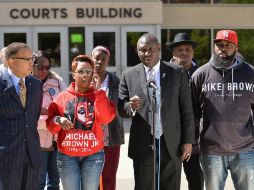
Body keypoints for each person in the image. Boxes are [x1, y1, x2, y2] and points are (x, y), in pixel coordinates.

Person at [118, 33, 195, 190]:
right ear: (137, 51)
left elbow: (186, 109)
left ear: (159, 48)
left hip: (172, 142)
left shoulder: (176, 72)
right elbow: (121, 107)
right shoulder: (128, 75)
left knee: (171, 186)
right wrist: (131, 106)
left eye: (151, 49)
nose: (147, 53)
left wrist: (188, 141)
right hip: (143, 143)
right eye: (143, 50)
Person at [191, 29, 254, 190]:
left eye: (228, 45)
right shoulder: (201, 74)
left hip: (245, 149)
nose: (222, 48)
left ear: (236, 47)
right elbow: (192, 112)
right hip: (212, 151)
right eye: (219, 45)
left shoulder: (250, 73)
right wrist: (193, 141)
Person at [46, 54, 116, 190]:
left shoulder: (99, 95)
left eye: (89, 72)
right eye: (81, 72)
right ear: (74, 74)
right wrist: (58, 120)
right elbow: (51, 126)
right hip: (67, 156)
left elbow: (106, 118)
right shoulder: (62, 98)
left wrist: (99, 92)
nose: (85, 75)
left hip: (93, 155)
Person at [0, 42, 43, 190]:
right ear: (12, 61)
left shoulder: (36, 85)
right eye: (27, 60)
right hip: (6, 159)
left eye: (32, 59)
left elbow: (33, 118)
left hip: (31, 157)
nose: (32, 63)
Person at [166, 32, 204, 190]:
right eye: (179, 50)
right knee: (169, 182)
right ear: (173, 53)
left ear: (193, 52)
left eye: (187, 49)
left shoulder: (203, 74)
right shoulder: (163, 72)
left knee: (195, 181)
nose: (184, 53)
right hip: (169, 138)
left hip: (195, 139)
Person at [32, 50, 67, 190]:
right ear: (32, 64)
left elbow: (65, 106)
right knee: (38, 180)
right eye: (41, 67)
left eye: (47, 67)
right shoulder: (26, 83)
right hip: (37, 139)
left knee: (54, 179)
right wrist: (49, 116)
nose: (44, 71)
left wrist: (44, 113)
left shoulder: (57, 82)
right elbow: (27, 115)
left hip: (56, 137)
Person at [91, 46, 125, 190]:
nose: (99, 62)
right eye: (96, 58)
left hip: (110, 136)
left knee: (109, 175)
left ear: (108, 61)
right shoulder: (85, 78)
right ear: (91, 58)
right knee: (90, 177)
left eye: (103, 59)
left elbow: (117, 104)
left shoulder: (115, 81)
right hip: (90, 136)